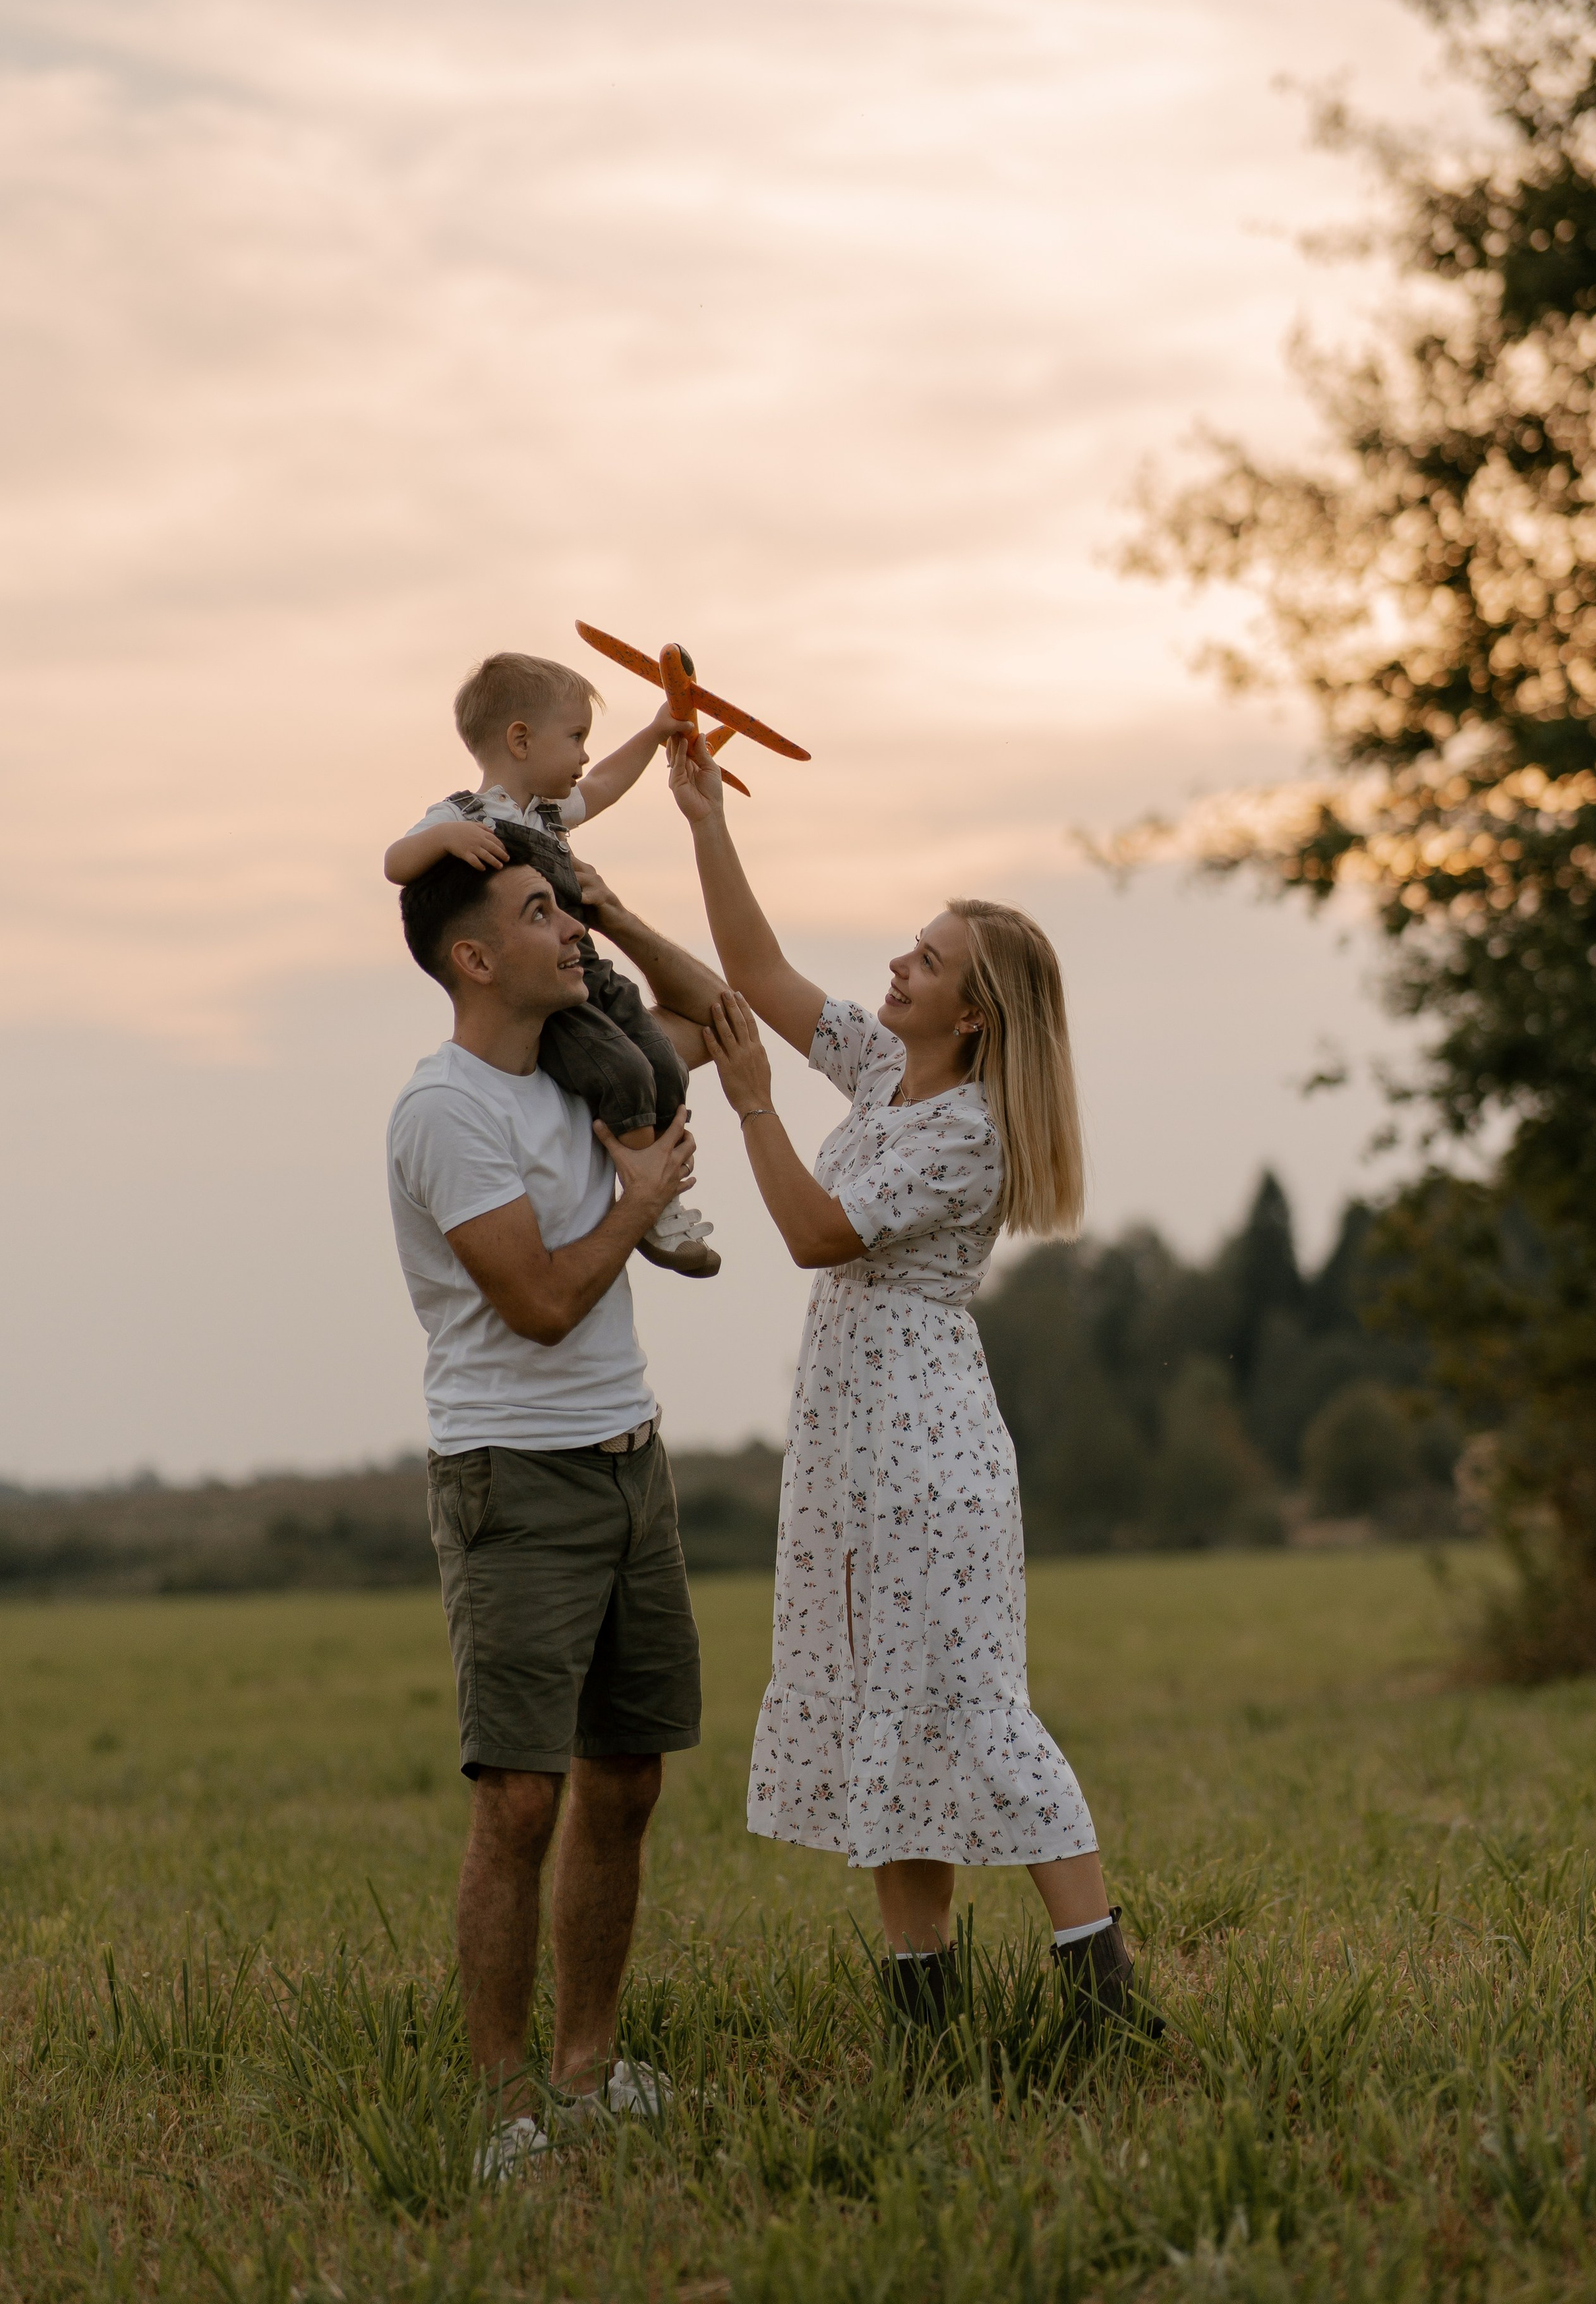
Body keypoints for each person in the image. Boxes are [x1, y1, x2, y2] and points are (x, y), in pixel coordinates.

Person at [667, 734, 1158, 2040]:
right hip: (851, 1437)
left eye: (926, 961)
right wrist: (703, 816)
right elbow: (760, 972)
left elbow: (818, 1233)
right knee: (888, 1714)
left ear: (974, 1014)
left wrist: (754, 1107)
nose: (897, 963)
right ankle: (921, 2022)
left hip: (927, 1442)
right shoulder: (891, 1072)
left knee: (971, 1706)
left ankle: (1102, 1999)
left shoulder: (966, 1130)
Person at [386, 830, 726, 2176]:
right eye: (539, 914)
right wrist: (639, 1196)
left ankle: (588, 2073)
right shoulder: (444, 1110)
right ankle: (505, 2110)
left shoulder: (588, 1061)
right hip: (512, 1480)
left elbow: (713, 1017)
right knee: (519, 1803)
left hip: (626, 1459)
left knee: (627, 1776)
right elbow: (532, 1306)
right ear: (473, 959)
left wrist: (615, 907)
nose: (563, 931)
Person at [385, 649, 719, 1277]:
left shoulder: (545, 813)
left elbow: (604, 787)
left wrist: (654, 734)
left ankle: (662, 1188)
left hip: (585, 968)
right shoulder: (465, 814)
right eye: (576, 738)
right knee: (622, 1071)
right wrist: (444, 840)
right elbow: (395, 862)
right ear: (520, 740)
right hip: (549, 986)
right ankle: (649, 1205)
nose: (585, 755)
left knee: (663, 1061)